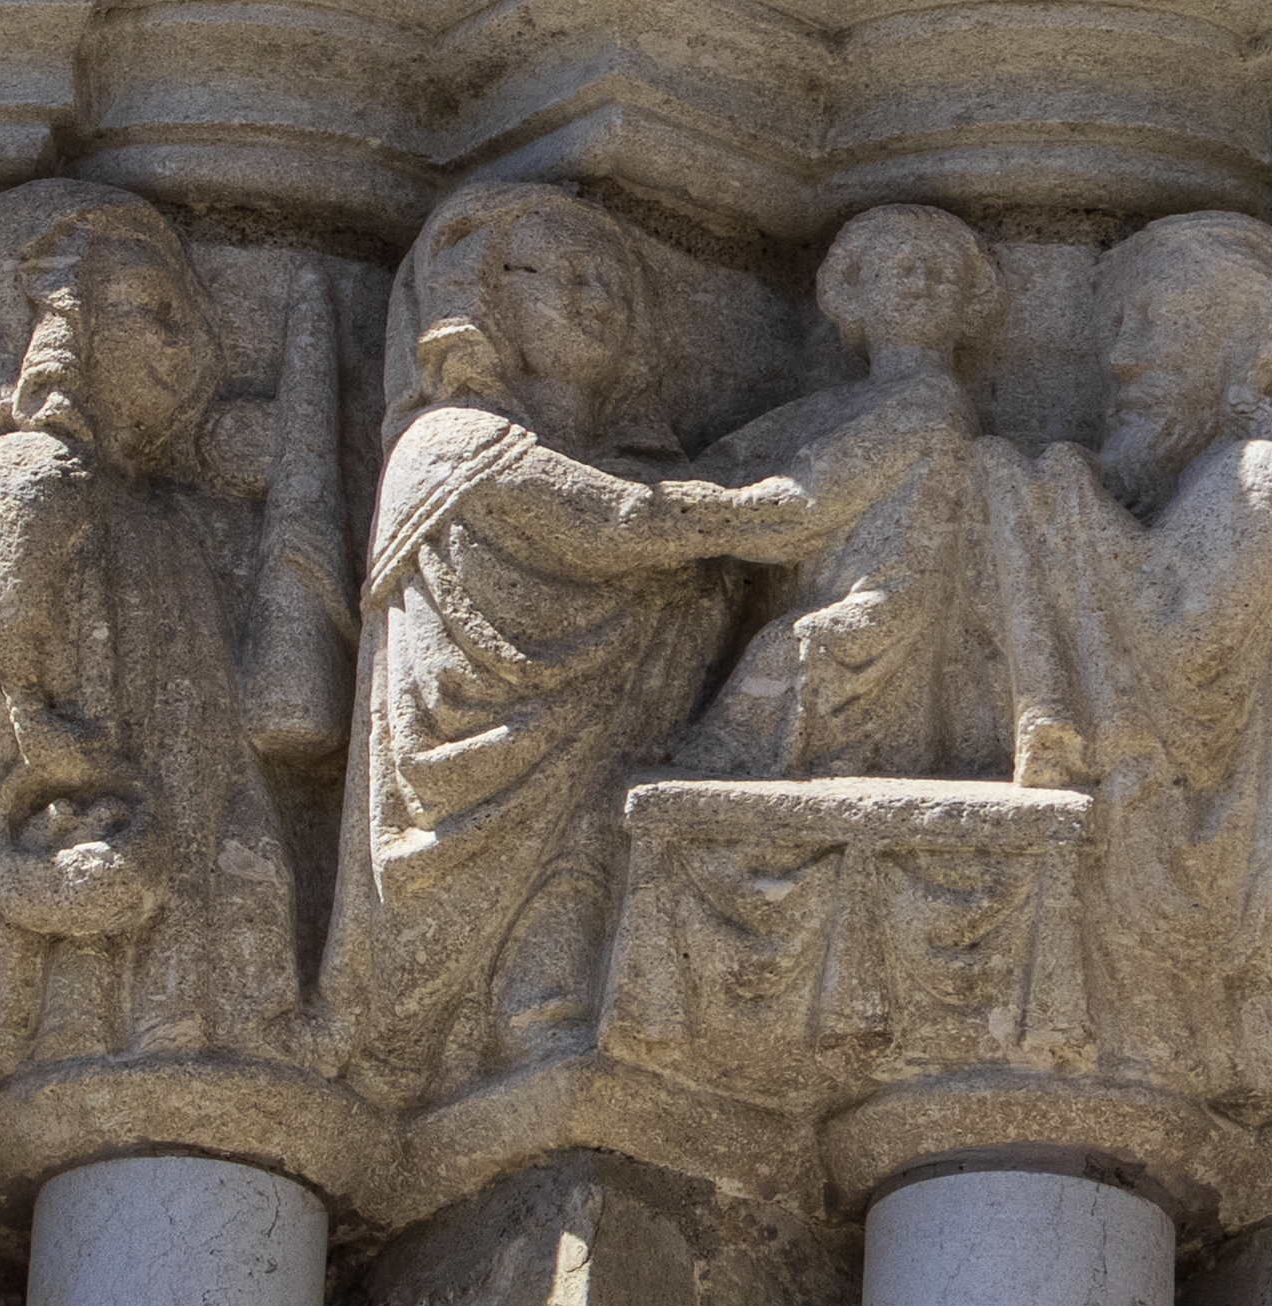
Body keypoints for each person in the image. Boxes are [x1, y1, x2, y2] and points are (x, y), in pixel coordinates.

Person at [325, 181, 885, 1103]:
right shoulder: (453, 441)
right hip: (470, 786)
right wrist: (748, 510)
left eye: (614, 285)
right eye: (563, 276)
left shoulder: (633, 463)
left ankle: (540, 1018)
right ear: (482, 295)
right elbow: (615, 522)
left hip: (597, 765)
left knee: (573, 901)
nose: (597, 302)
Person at [0, 181, 319, 1091]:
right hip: (87, 772)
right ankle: (103, 1029)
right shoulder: (35, 465)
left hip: (173, 760)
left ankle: (187, 1014)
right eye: (151, 313)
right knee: (99, 918)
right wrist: (36, 726)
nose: (184, 345)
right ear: (61, 327)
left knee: (214, 872)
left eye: (187, 315)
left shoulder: (143, 504)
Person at [991, 212, 1272, 1111]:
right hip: (1135, 843)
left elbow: (1181, 646)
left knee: (999, 471)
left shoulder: (1268, 476)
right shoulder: (1204, 481)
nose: (1122, 359)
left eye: (1158, 320)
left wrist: (1063, 504)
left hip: (1186, 856)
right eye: (1116, 328)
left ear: (1250, 345)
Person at [667, 203, 1011, 780]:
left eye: (941, 272)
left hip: (890, 605)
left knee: (787, 650)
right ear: (855, 290)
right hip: (821, 589)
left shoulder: (932, 400)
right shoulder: (827, 408)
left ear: (968, 302)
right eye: (903, 268)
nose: (923, 283)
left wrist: (683, 515)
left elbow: (808, 503)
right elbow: (729, 460)